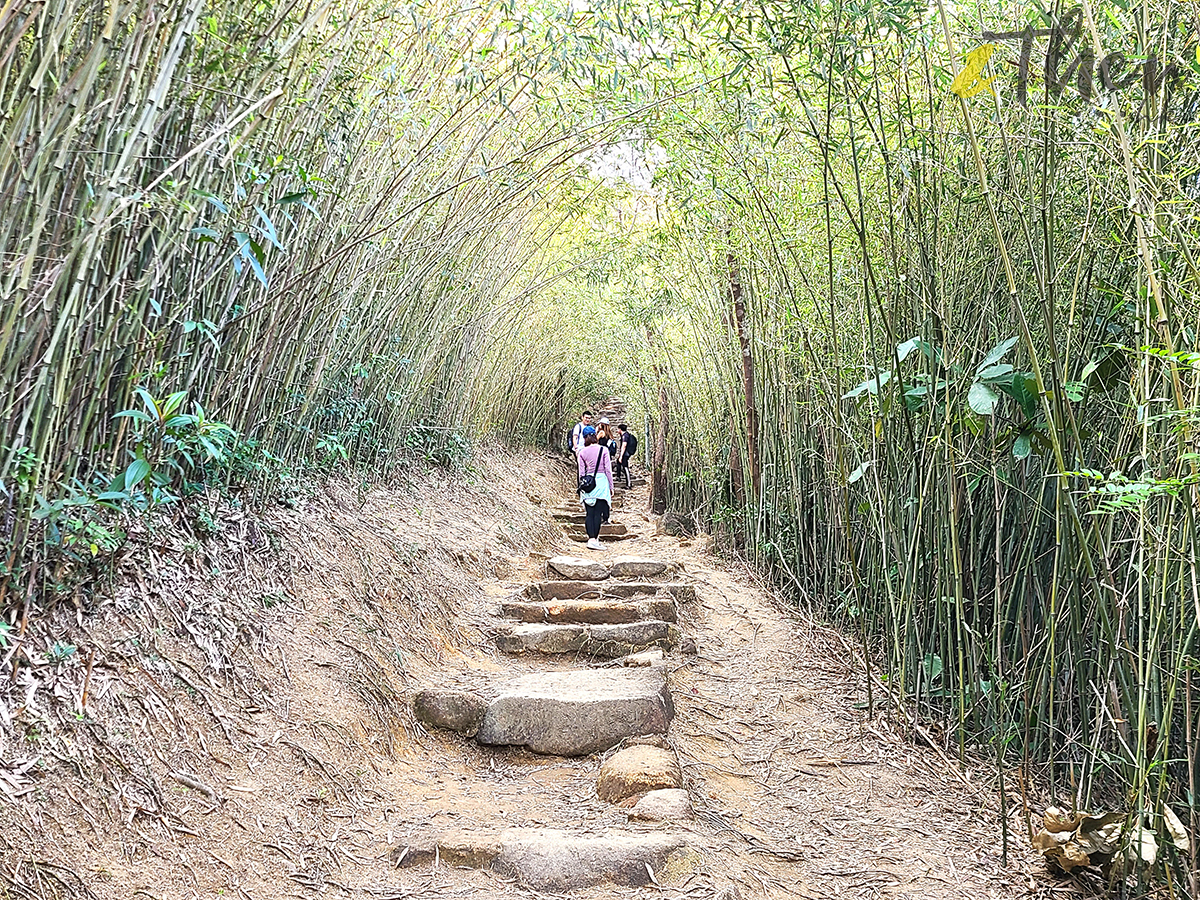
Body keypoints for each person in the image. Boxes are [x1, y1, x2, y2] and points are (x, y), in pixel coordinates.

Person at [576, 425, 613, 550]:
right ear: (594, 436)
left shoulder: (582, 452)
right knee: (598, 513)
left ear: (585, 438)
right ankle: (594, 540)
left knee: (589, 513)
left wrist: (580, 486)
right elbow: (608, 469)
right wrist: (611, 486)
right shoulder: (604, 450)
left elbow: (581, 473)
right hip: (601, 483)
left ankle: (590, 539)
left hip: (588, 483)